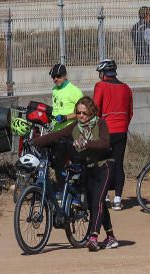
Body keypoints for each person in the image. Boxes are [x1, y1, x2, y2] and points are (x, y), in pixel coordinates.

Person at [34, 96, 119, 251]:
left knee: (97, 201)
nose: (81, 116)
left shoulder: (100, 123)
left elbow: (105, 143)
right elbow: (56, 136)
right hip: (89, 168)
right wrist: (34, 142)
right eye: (78, 113)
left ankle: (93, 237)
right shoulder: (74, 128)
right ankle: (111, 236)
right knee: (95, 202)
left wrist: (87, 143)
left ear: (92, 112)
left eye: (84, 113)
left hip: (105, 166)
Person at [93, 59, 132, 211]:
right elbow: (130, 112)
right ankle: (117, 198)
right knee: (118, 163)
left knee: (102, 163)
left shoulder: (100, 86)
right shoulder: (126, 88)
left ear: (103, 74)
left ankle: (105, 197)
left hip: (105, 131)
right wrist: (124, 125)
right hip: (121, 130)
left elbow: (95, 109)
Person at [50, 63, 83, 128]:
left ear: (65, 76)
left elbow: (83, 113)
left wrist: (65, 117)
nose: (56, 79)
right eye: (53, 77)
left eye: (58, 76)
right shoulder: (54, 90)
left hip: (70, 131)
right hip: (56, 130)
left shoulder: (75, 91)